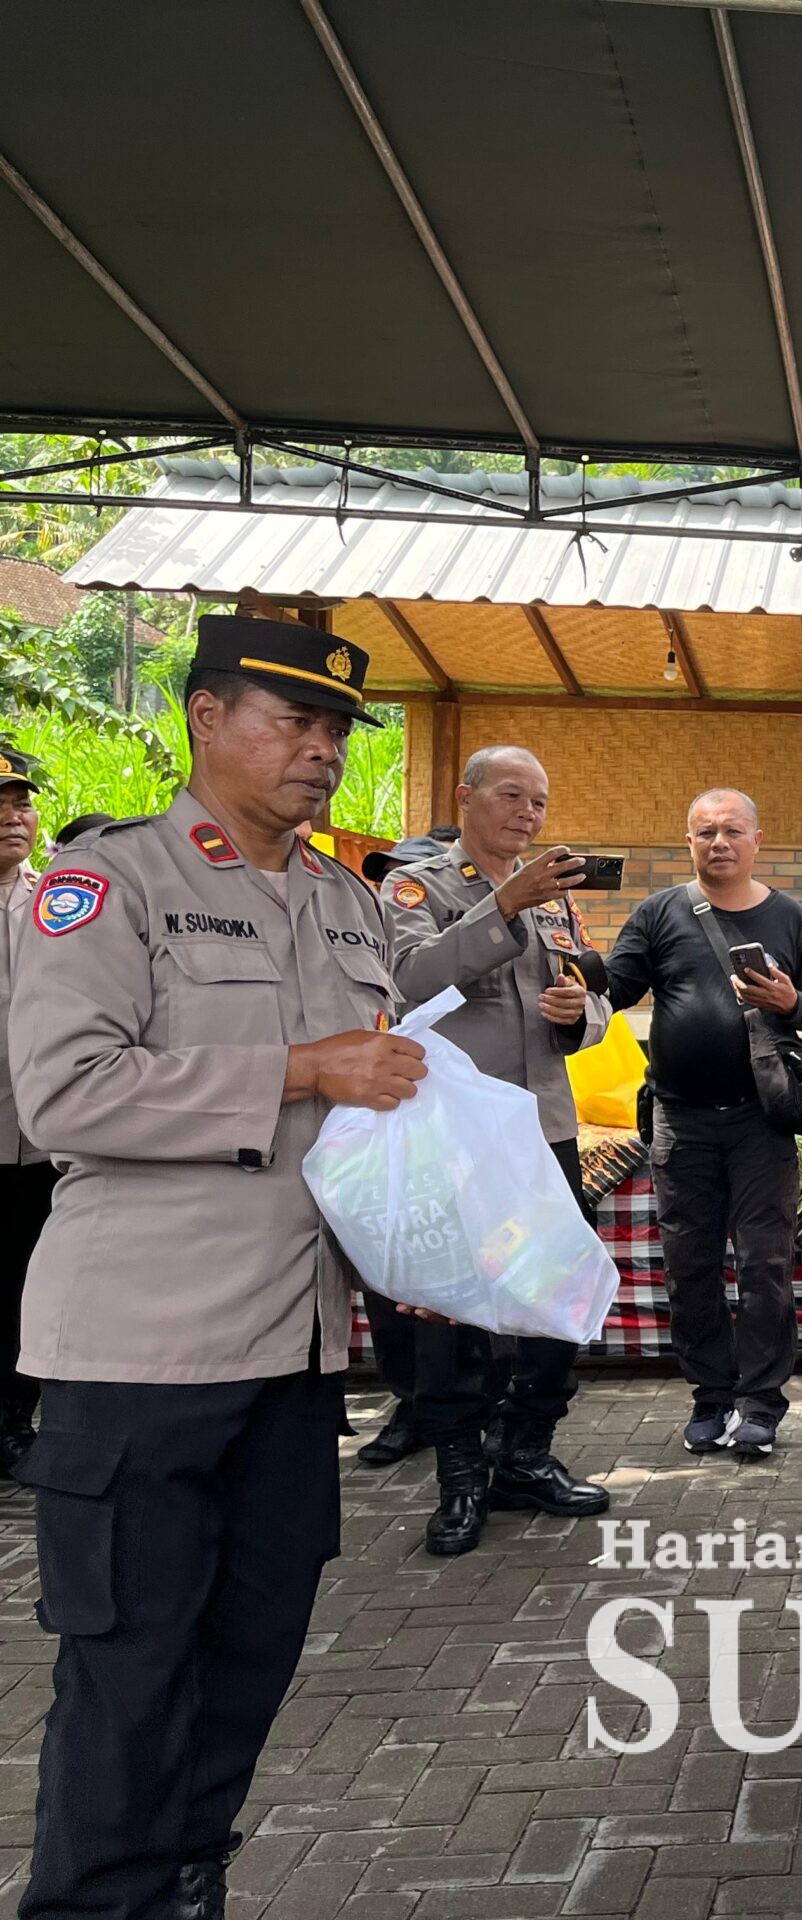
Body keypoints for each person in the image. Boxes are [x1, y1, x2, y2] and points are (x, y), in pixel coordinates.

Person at [7, 616, 427, 1920]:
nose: (322, 752)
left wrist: (417, 1237)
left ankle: (188, 1881)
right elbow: (66, 1093)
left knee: (252, 1651)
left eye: (337, 731)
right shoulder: (106, 885)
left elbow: (366, 1116)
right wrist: (299, 1070)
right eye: (293, 722)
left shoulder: (350, 903)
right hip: (141, 1353)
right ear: (204, 715)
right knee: (131, 1671)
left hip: (293, 1350)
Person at [377, 746, 612, 1553]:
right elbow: (409, 981)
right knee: (453, 1311)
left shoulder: (556, 898)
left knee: (553, 1296)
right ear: (466, 796)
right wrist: (503, 905)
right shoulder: (415, 887)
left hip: (544, 1127)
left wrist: (580, 1011)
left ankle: (526, 1455)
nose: (528, 814)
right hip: (459, 1135)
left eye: (539, 802)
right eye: (512, 795)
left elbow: (592, 994)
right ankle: (459, 1474)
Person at [605, 788, 802, 1461]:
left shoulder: (788, 917)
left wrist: (791, 1000)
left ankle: (760, 1403)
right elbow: (614, 988)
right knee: (691, 1266)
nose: (719, 843)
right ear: (689, 842)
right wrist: (572, 974)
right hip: (680, 1120)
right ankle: (710, 1398)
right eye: (705, 832)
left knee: (765, 1266)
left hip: (762, 1122)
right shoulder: (659, 913)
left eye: (732, 831)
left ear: (757, 840)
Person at [348, 829, 455, 1468]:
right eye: (387, 877)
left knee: (449, 1278)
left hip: (451, 1124)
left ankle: (466, 1418)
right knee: (387, 1273)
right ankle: (409, 1401)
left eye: (410, 878)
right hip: (380, 1124)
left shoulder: (468, 933)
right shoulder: (356, 935)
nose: (396, 890)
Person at [0, 744, 52, 1470]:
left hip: (41, 1141)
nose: (14, 818)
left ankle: (15, 1422)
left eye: (21, 805)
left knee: (27, 1285)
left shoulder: (59, 902)